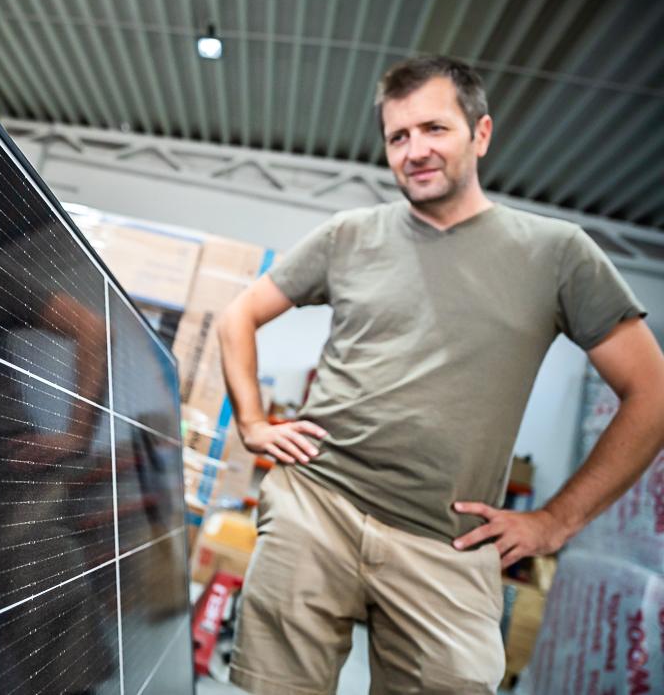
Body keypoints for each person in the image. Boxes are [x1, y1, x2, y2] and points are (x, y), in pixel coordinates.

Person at [216, 55, 664, 694]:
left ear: (481, 133)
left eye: (434, 128)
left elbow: (651, 393)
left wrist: (556, 521)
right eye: (398, 136)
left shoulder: (558, 254)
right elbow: (238, 314)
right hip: (318, 507)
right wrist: (253, 422)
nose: (415, 150)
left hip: (447, 547)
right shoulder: (349, 235)